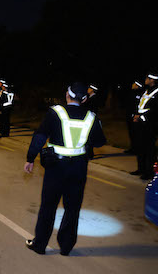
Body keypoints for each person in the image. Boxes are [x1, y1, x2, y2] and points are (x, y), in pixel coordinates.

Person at [24, 82, 106, 256]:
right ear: (84, 99)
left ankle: (40, 245)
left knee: (48, 206)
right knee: (73, 207)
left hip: (56, 167)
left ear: (67, 96)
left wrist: (30, 158)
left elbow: (40, 136)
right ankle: (66, 247)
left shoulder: (55, 113)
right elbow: (99, 142)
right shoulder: (92, 117)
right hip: (78, 167)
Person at [130, 72, 158, 180]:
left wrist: (141, 116)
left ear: (152, 80)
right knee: (140, 147)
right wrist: (136, 115)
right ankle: (141, 169)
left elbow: (156, 110)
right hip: (141, 123)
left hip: (150, 125)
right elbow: (140, 105)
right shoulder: (146, 91)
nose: (145, 79)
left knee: (149, 150)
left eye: (147, 78)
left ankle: (149, 172)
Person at [124, 80, 144, 154]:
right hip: (129, 115)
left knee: (136, 133)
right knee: (132, 133)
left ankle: (137, 149)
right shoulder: (131, 93)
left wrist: (136, 114)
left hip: (135, 116)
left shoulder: (139, 93)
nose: (132, 85)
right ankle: (133, 148)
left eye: (134, 84)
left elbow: (137, 105)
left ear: (137, 85)